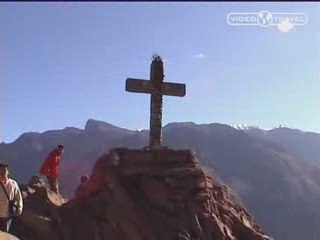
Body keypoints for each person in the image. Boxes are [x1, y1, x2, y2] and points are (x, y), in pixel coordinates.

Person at [0, 162, 23, 233]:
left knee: (4, 233)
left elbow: (18, 197)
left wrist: (19, 207)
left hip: (7, 215)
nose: (3, 173)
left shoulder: (13, 184)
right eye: (1, 171)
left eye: (5, 170)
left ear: (8, 172)